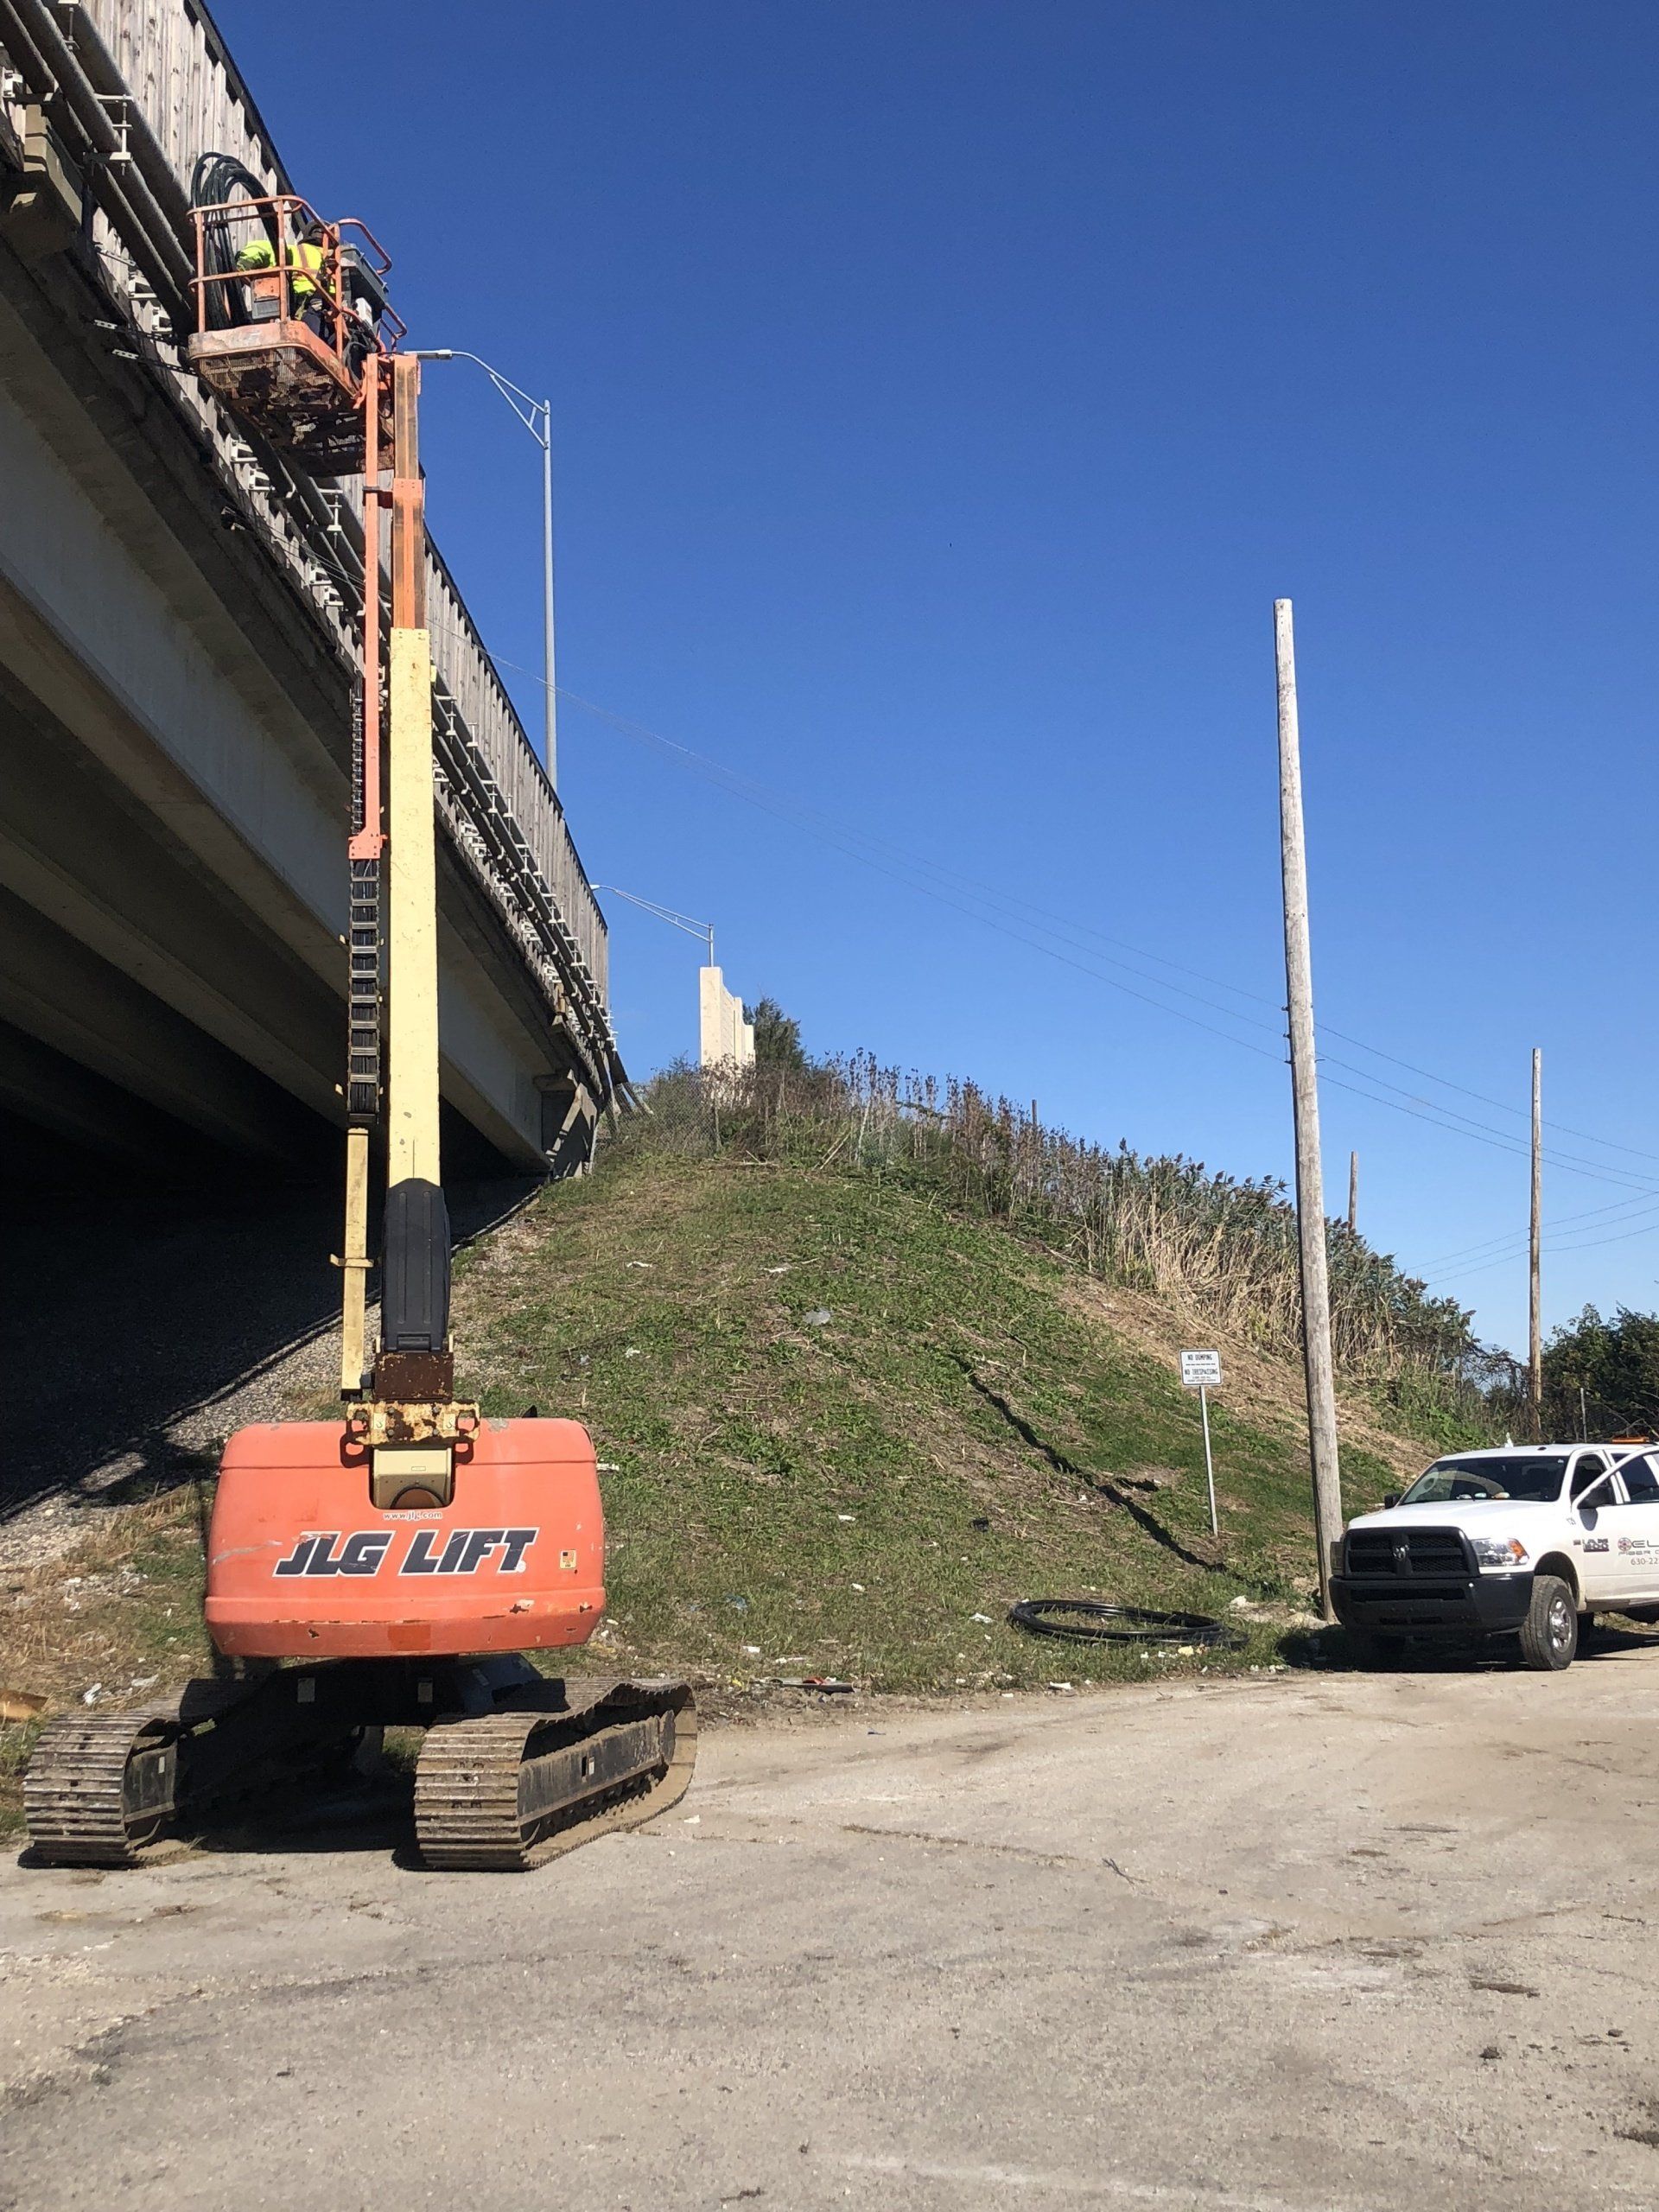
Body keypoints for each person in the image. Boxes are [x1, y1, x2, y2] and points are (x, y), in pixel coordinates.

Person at [236, 218, 331, 338]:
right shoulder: (338, 260)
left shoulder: (294, 251)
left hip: (311, 311)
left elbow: (259, 249)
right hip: (324, 314)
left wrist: (242, 266)